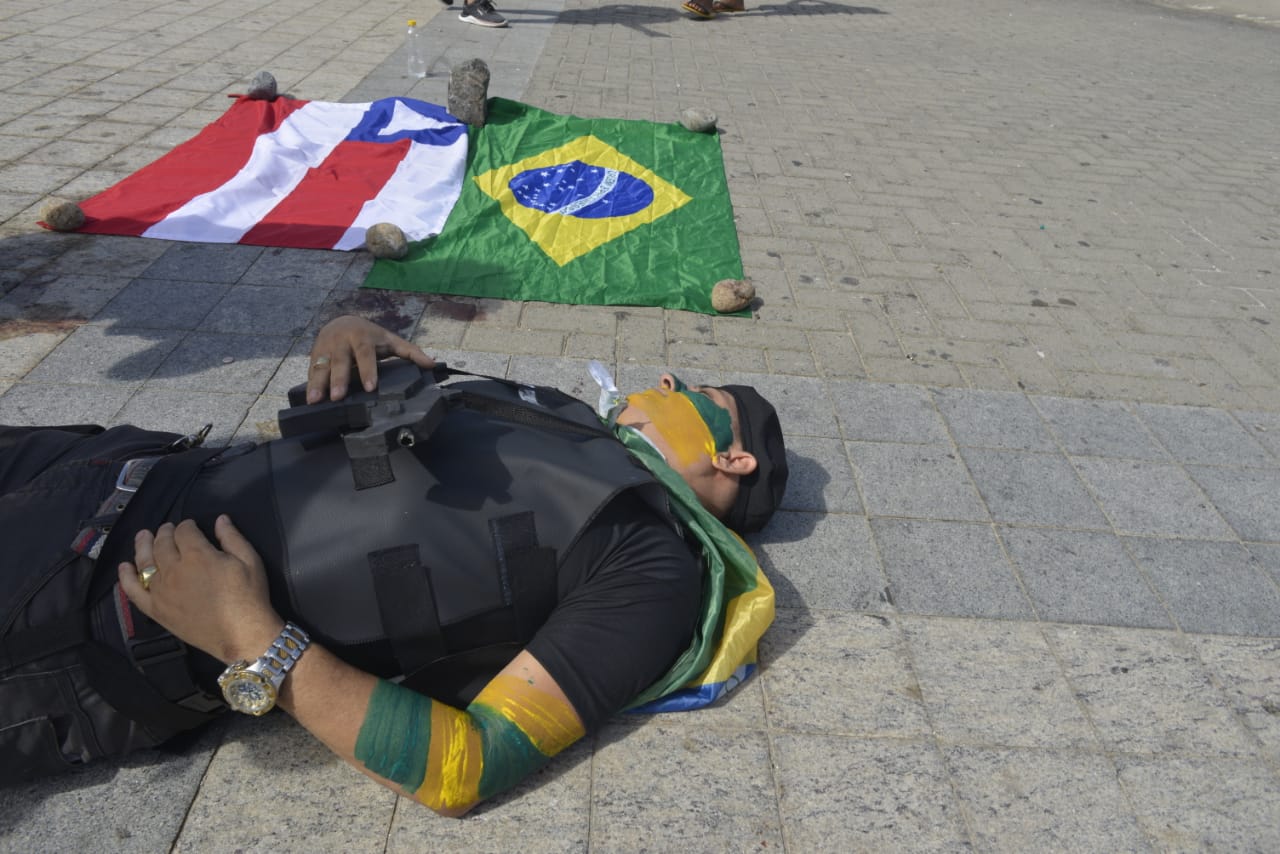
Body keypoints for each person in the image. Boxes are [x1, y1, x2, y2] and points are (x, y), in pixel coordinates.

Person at [0, 315, 787, 816]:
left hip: (90, 615)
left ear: (733, 457)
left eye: (695, 392)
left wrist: (251, 640)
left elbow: (465, 764)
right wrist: (352, 334)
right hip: (107, 461)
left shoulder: (652, 571)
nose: (666, 380)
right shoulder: (567, 417)